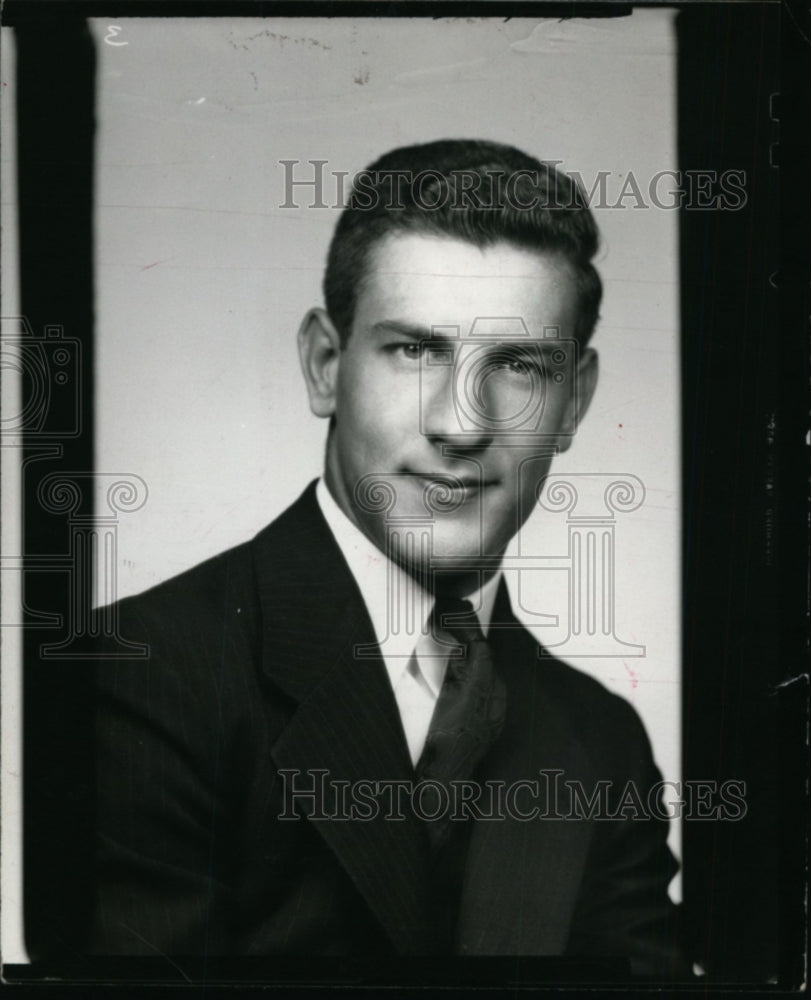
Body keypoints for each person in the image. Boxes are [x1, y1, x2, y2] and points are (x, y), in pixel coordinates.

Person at [84, 140, 688, 977]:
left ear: (574, 400)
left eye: (517, 365)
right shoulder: (134, 677)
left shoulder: (600, 742)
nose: (460, 424)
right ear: (325, 366)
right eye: (415, 351)